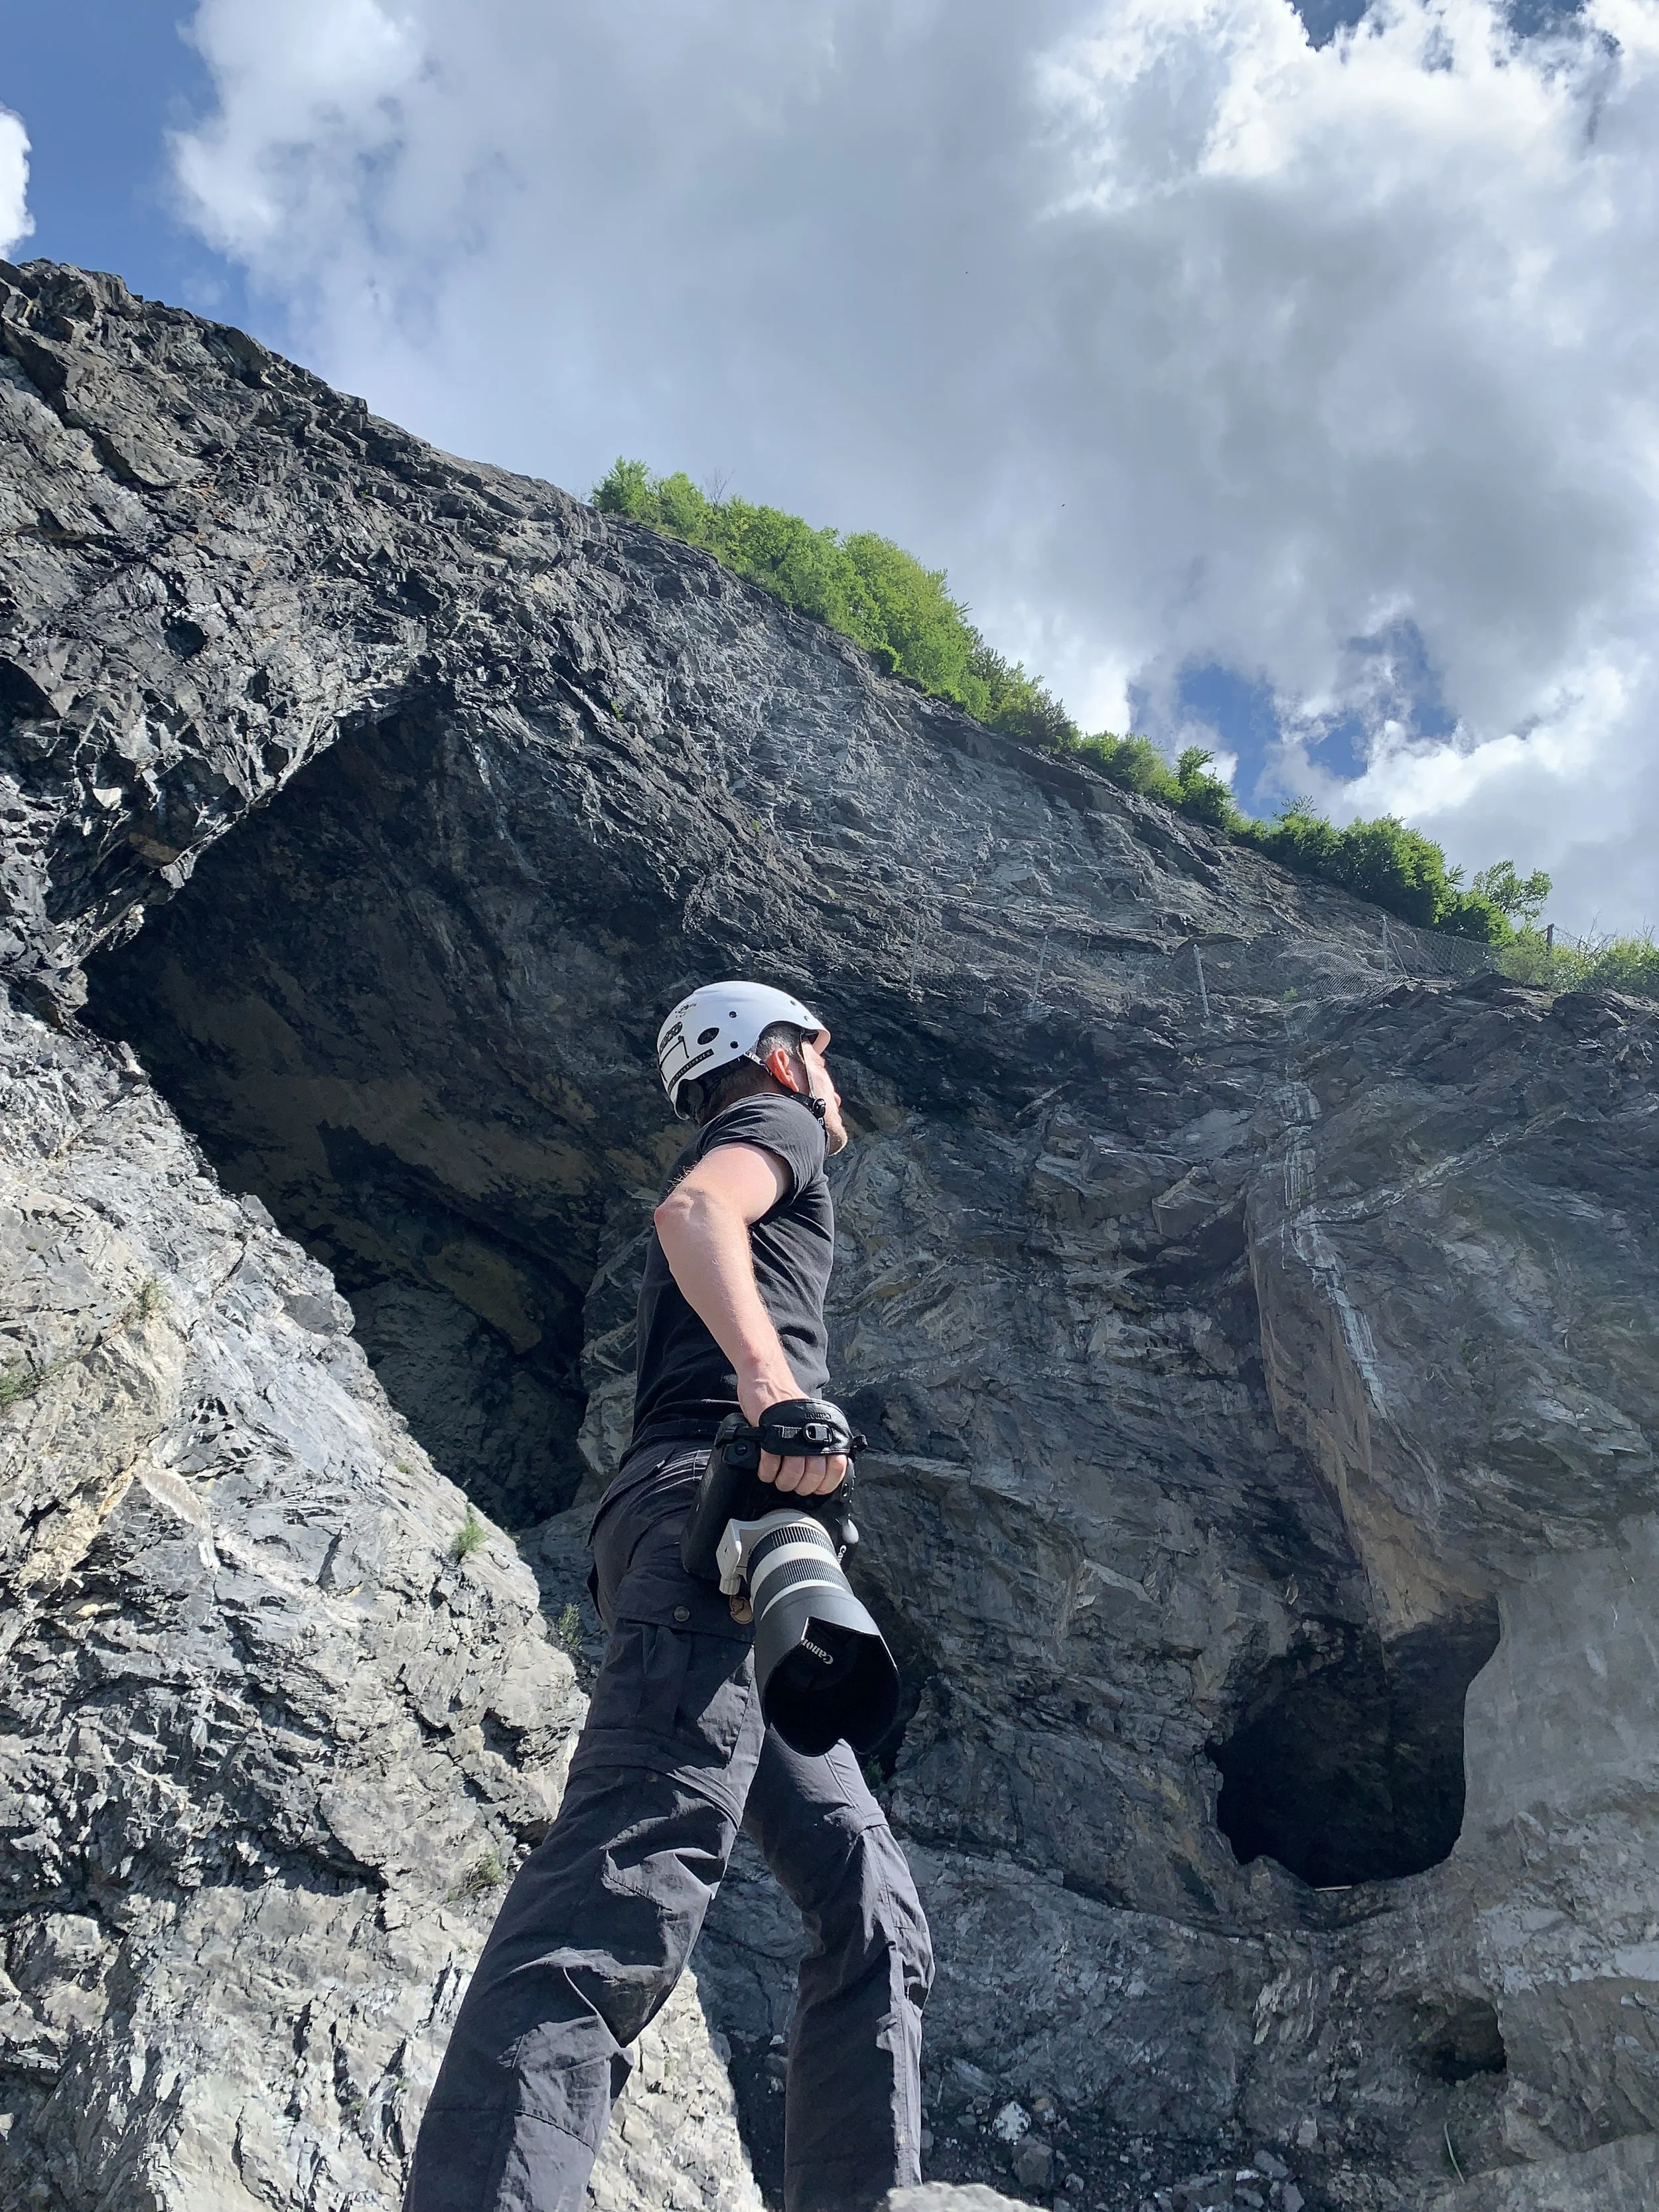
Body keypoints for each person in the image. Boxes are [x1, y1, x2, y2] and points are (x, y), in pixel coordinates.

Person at [405, 980, 934, 2212]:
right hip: (720, 1512)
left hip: (705, 1528)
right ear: (777, 1055)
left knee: (871, 1901)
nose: (832, 1079)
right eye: (819, 1054)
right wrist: (770, 1386)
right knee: (631, 1868)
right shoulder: (778, 1123)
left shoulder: (762, 1126)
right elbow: (695, 1210)